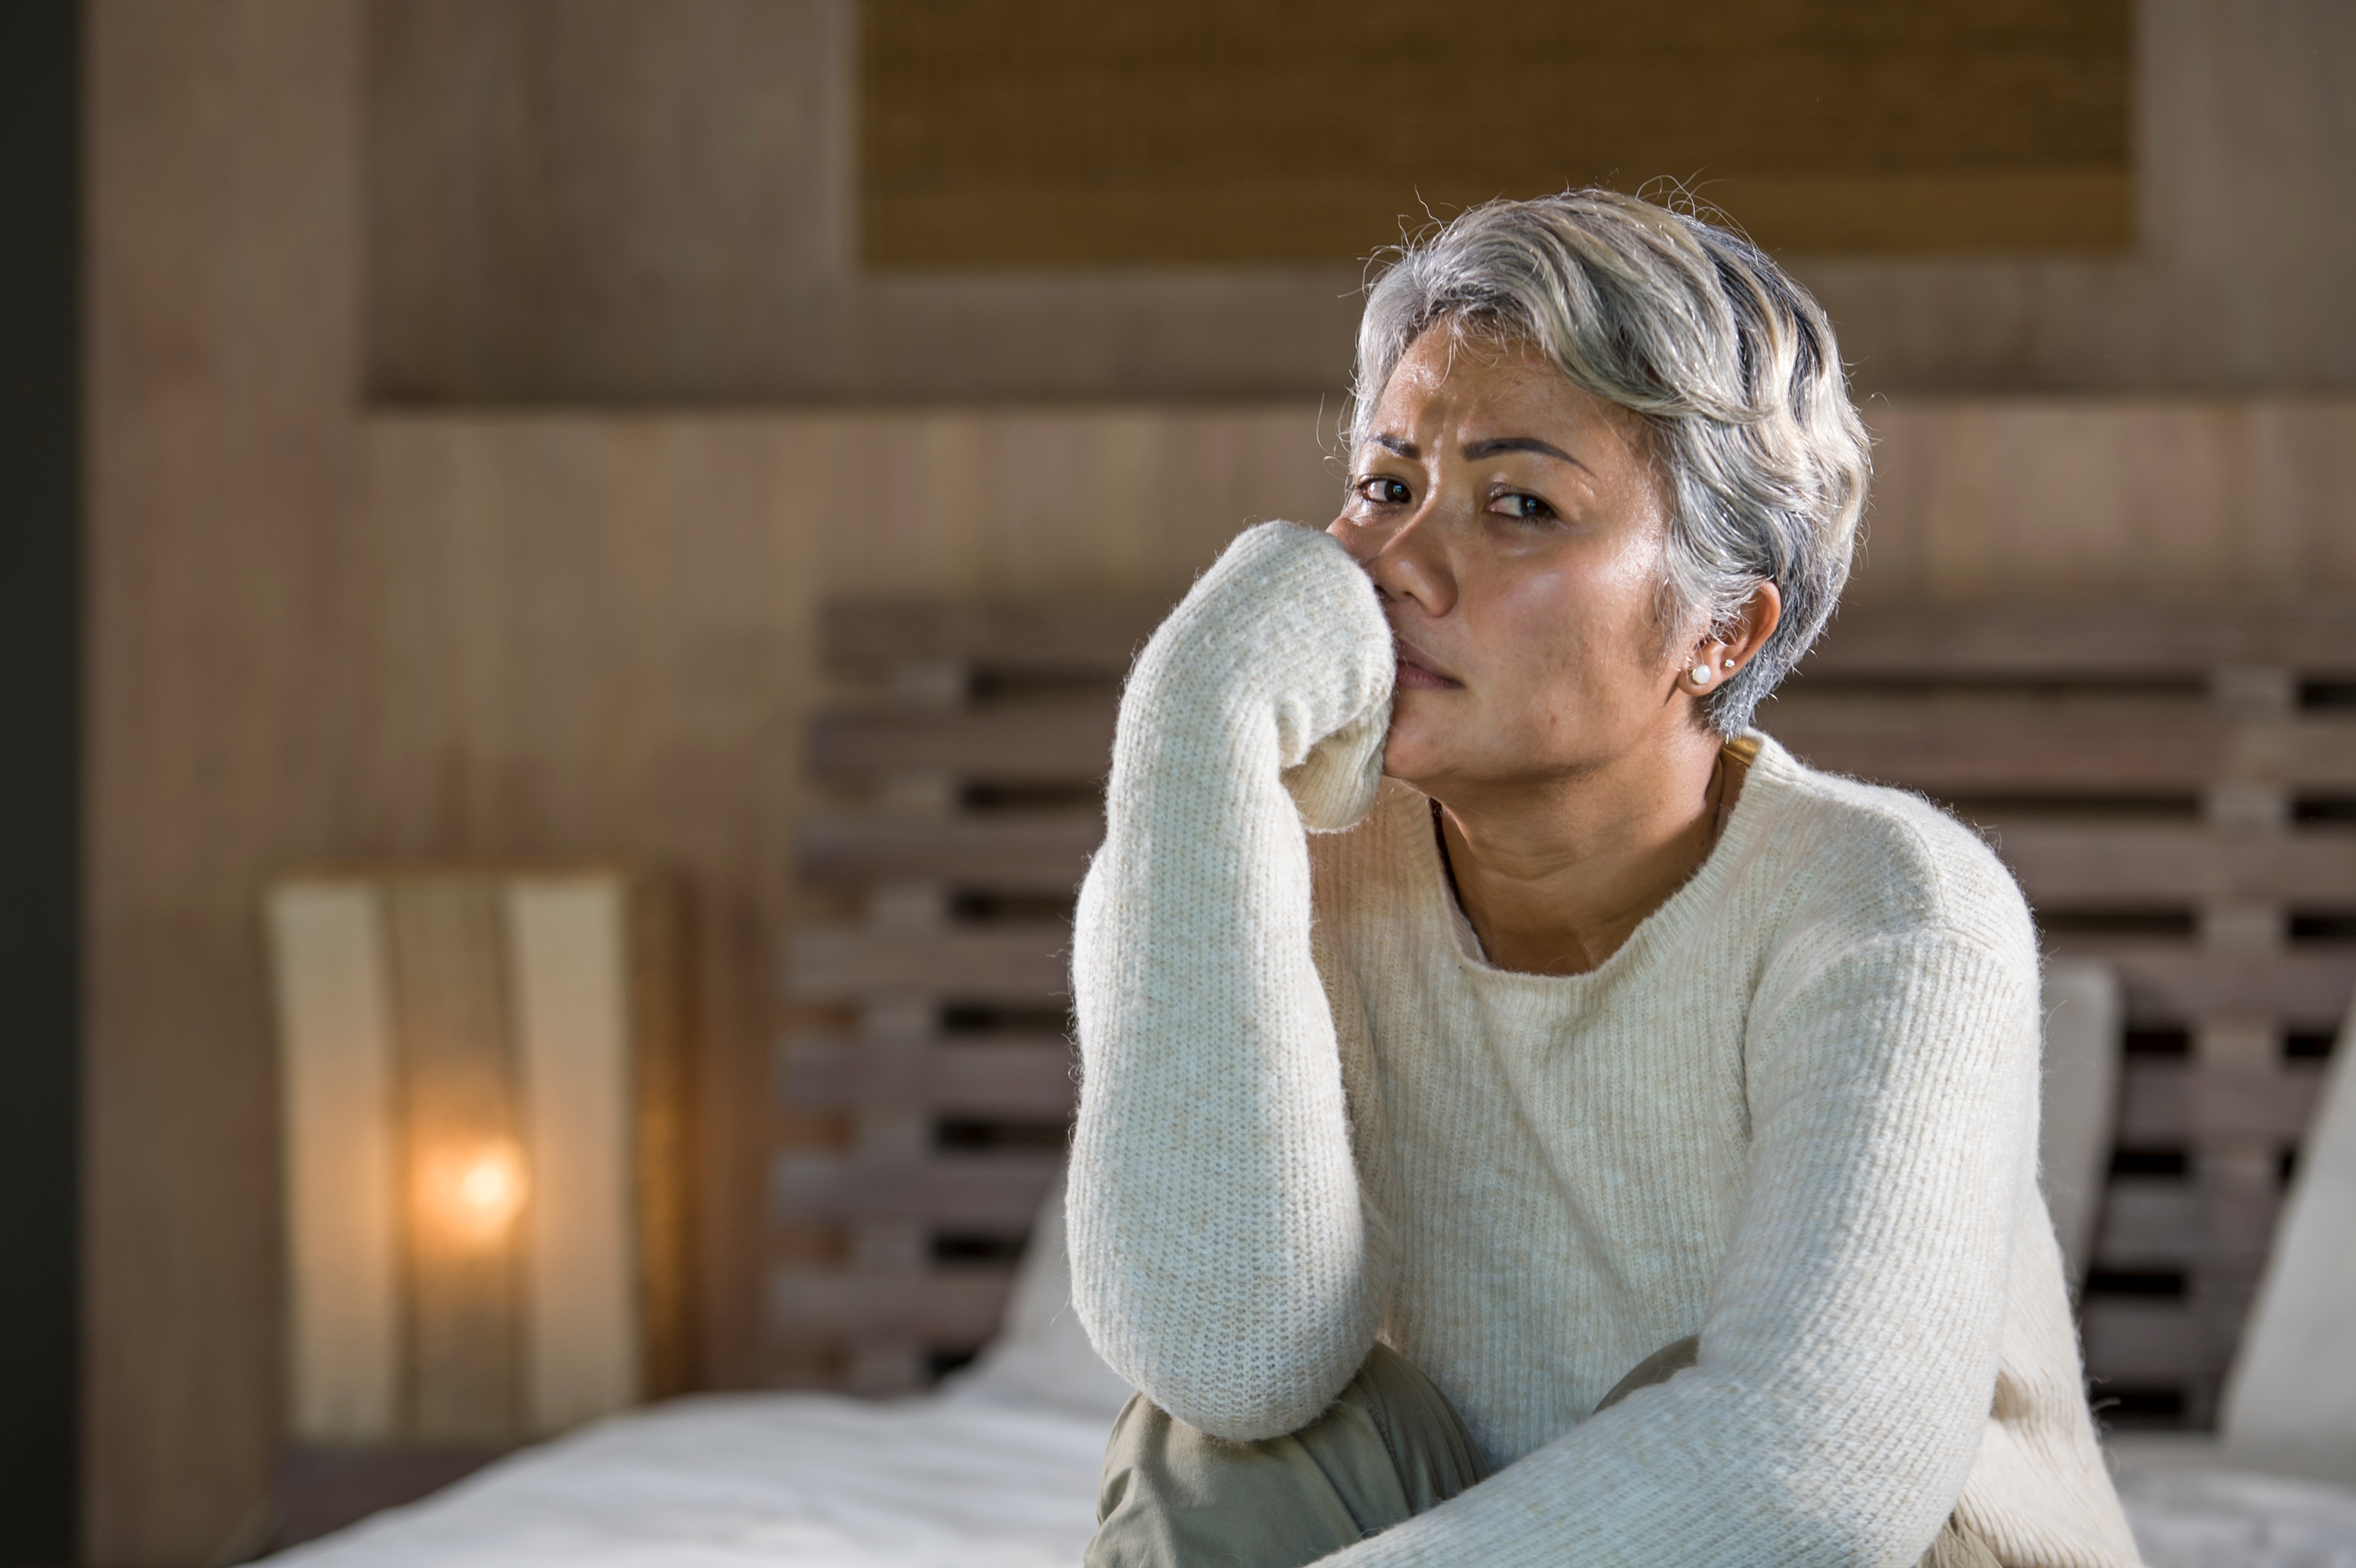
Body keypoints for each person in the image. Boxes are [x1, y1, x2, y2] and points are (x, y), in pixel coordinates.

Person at [1065, 190, 2144, 1567]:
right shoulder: (1252, 860)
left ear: (1715, 626)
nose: (1395, 563)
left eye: (1519, 504)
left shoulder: (1890, 911)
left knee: (1688, 1410)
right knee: (1218, 1441)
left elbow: (1810, 1468)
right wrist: (1192, 728)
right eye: (1387, 484)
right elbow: (1229, 1366)